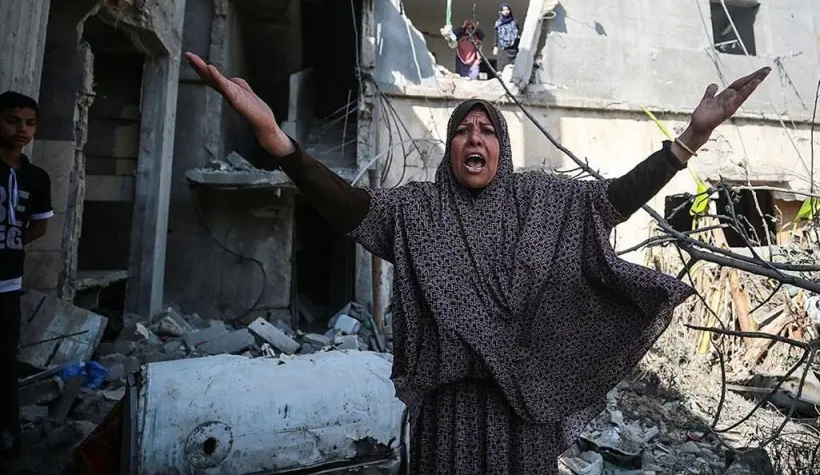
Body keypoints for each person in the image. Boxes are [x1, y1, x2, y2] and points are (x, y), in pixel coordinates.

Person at [185, 51, 770, 474]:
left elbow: (612, 200)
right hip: (446, 422)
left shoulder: (543, 202)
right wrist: (278, 141)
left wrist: (689, 139)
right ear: (451, 147)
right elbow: (346, 205)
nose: (474, 138)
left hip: (525, 418)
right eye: (462, 130)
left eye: (487, 130)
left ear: (501, 147)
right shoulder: (415, 212)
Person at [1, 91, 53, 475]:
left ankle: (8, 448)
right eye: (12, 120)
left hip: (7, 286)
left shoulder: (36, 177)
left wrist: (10, 241)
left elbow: (39, 226)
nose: (22, 129)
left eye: (30, 123)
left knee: (5, 366)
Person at [493, 4, 520, 72]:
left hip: (513, 48)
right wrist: (495, 46)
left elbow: (518, 34)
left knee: (512, 69)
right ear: (500, 12)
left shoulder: (514, 22)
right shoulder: (498, 23)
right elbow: (496, 35)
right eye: (503, 10)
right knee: (502, 68)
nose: (506, 11)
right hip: (503, 48)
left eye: (507, 9)